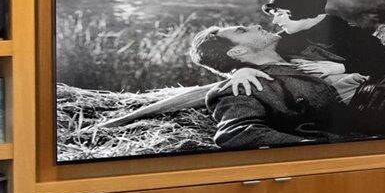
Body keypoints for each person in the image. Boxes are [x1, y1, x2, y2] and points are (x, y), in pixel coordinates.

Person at [92, 25, 352, 150]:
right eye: (242, 30)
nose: (255, 25)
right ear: (238, 50)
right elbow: (238, 134)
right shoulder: (244, 86)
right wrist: (315, 145)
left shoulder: (304, 49)